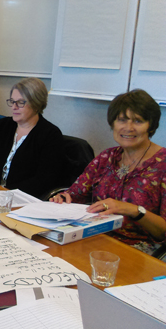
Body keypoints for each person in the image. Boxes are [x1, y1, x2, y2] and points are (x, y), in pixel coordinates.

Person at [51, 89, 166, 255]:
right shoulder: (107, 157)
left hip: (137, 250)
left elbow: (163, 232)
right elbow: (75, 194)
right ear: (113, 124)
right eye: (122, 120)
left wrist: (134, 210)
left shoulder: (162, 165)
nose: (128, 128)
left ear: (151, 126)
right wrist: (62, 198)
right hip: (92, 237)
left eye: (138, 121)